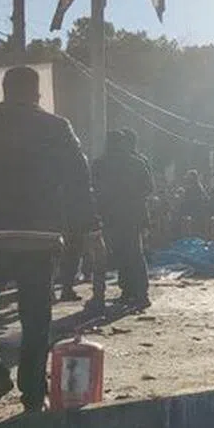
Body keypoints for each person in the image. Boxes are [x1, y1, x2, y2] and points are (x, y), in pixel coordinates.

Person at [0, 66, 102, 416]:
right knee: (36, 318)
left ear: (4, 90)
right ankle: (33, 394)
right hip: (40, 238)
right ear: (37, 94)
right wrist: (90, 231)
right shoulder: (58, 127)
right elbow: (79, 180)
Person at [92, 128, 153, 308]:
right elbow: (148, 188)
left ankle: (117, 293)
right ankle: (140, 294)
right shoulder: (137, 163)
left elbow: (94, 189)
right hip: (132, 216)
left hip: (109, 217)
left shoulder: (99, 164)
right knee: (134, 254)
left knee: (111, 256)